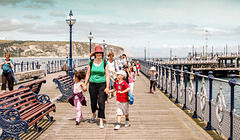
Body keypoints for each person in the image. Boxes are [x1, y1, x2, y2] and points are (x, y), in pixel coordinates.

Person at [83, 46, 109, 129]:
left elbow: (107, 75)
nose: (99, 54)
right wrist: (85, 84)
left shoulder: (105, 63)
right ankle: (94, 114)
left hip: (102, 84)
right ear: (95, 54)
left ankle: (101, 120)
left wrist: (107, 87)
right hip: (93, 84)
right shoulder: (90, 62)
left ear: (102, 54)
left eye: (100, 53)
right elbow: (88, 74)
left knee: (101, 102)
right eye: (97, 53)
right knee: (93, 102)